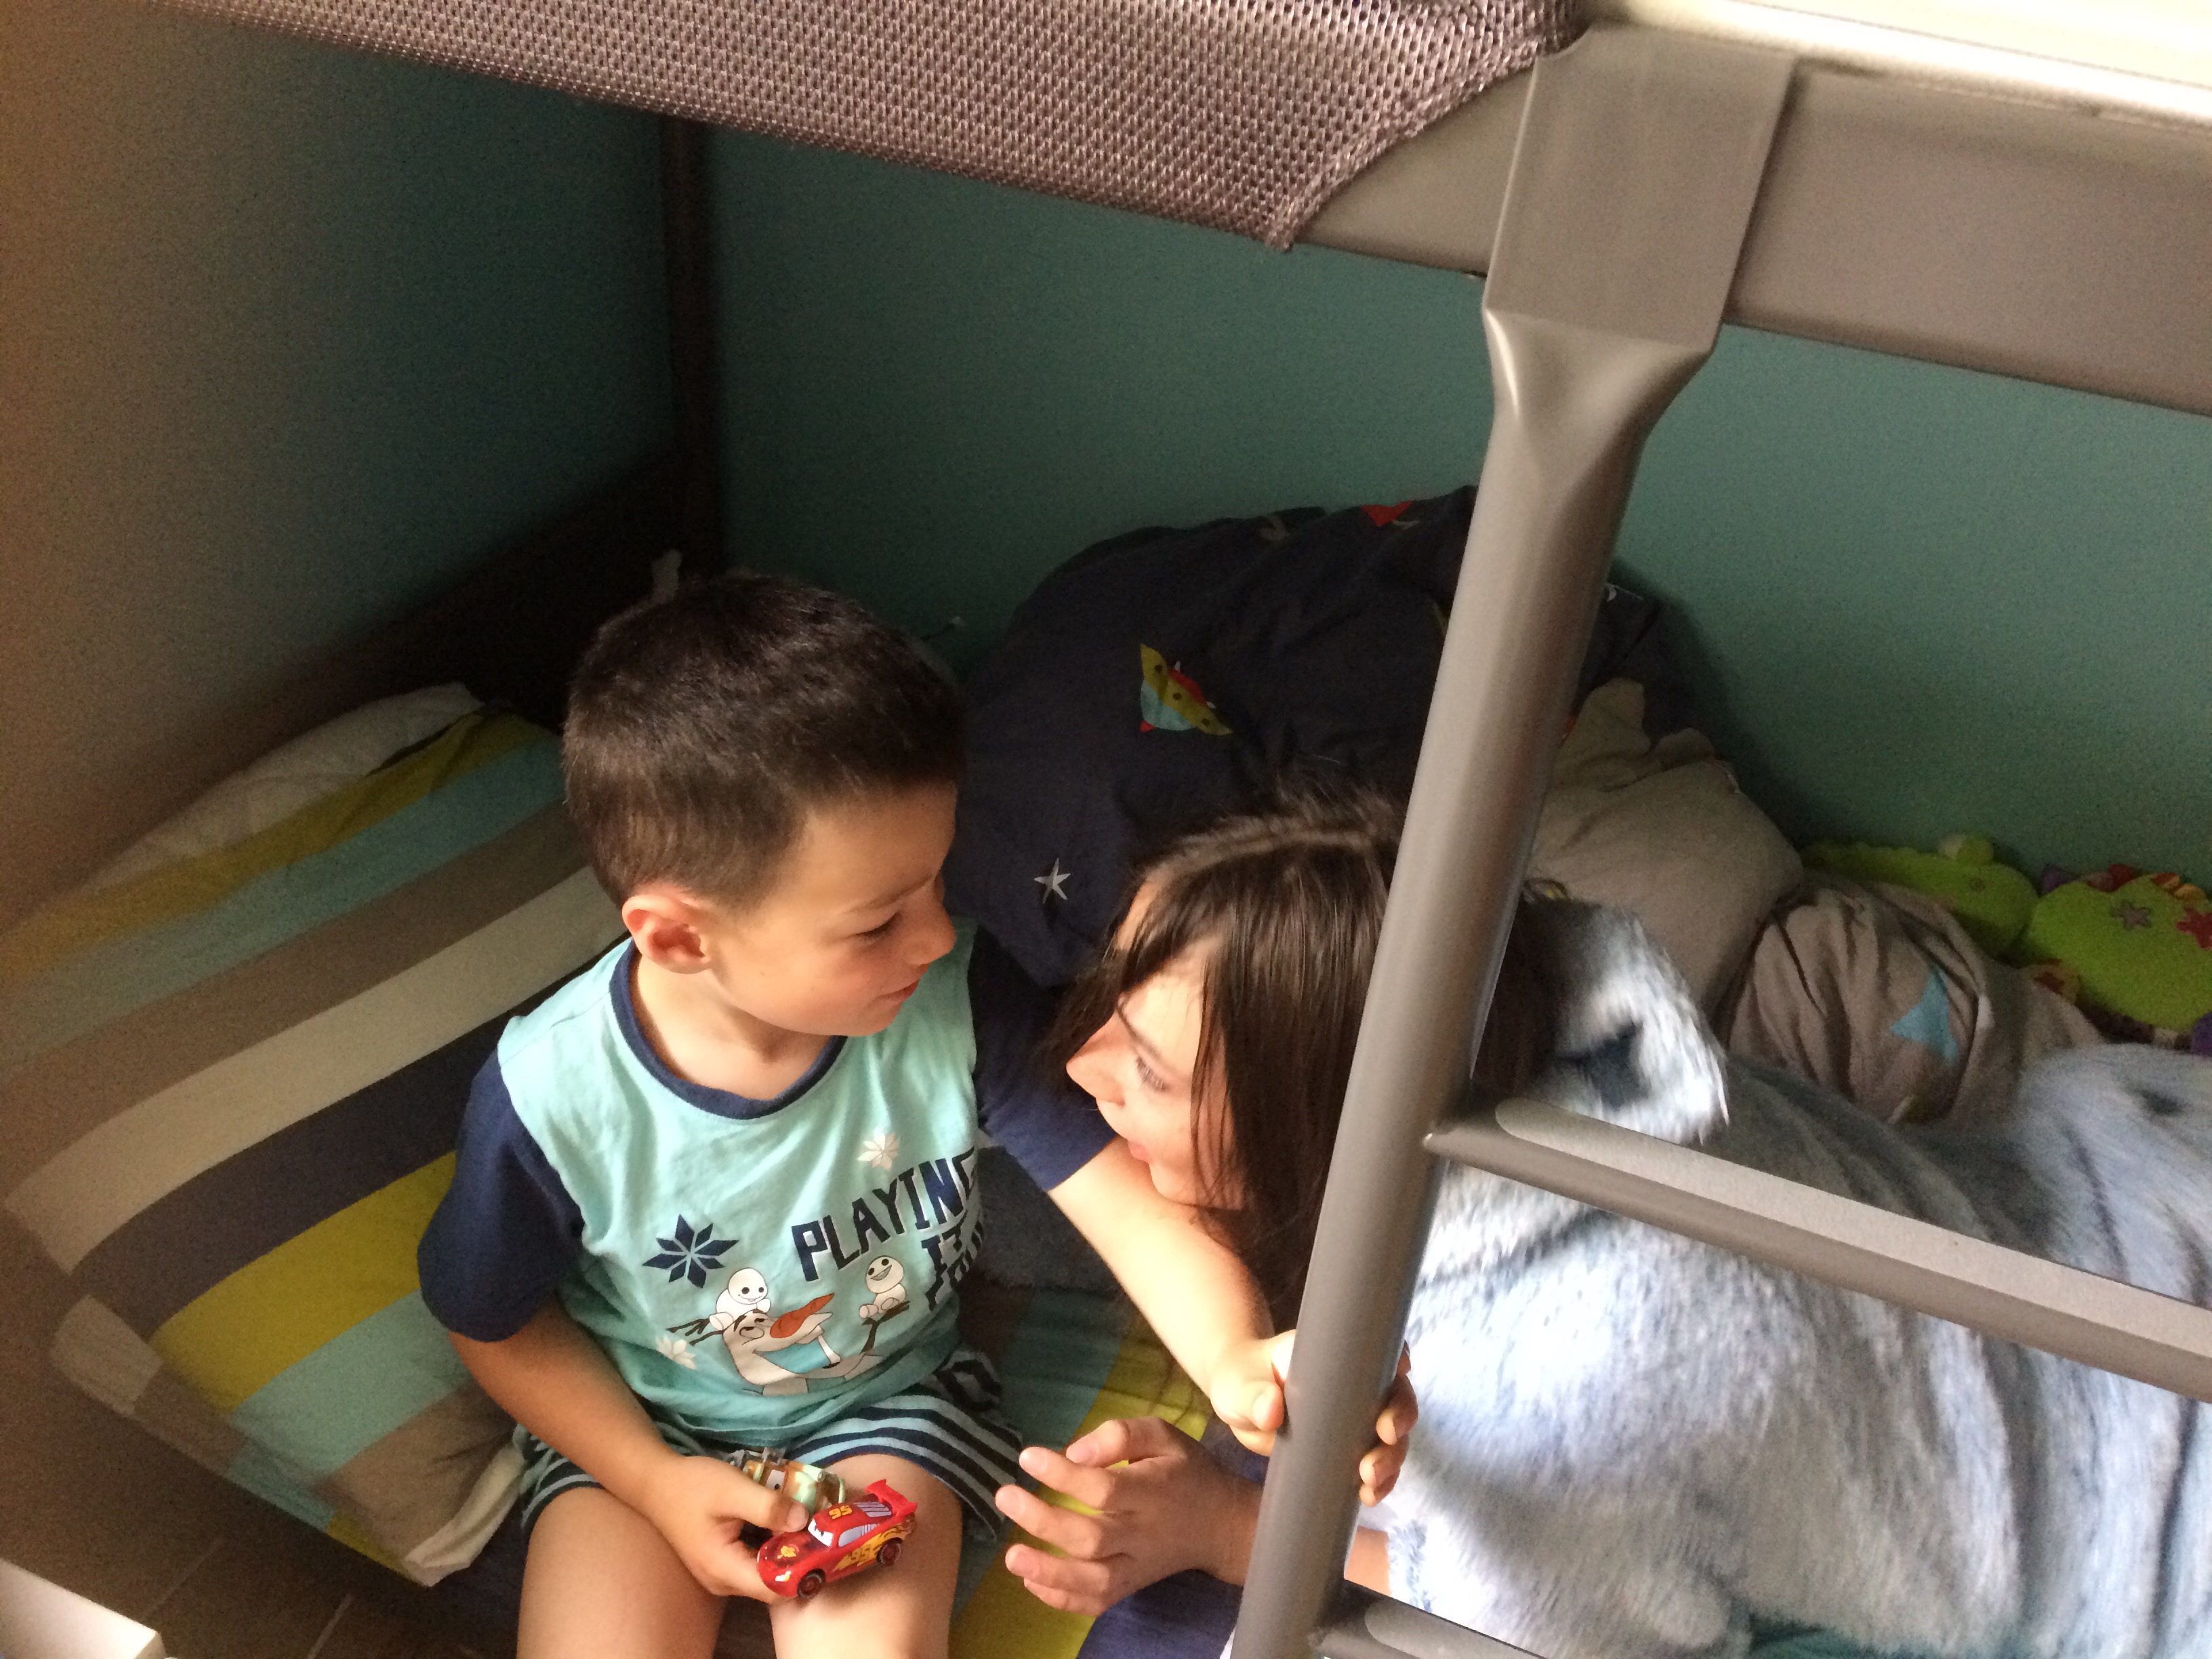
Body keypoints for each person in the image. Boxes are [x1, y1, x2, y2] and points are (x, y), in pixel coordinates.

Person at [997, 783, 2212, 1659]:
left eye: (1150, 1069)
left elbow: (1520, 1621)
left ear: (1315, 1123)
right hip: (2138, 1185)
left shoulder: (1558, 1381)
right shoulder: (1597, 1049)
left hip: (2150, 1523)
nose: (1087, 1066)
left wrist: (1227, 1527)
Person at [415, 574, 1299, 1659]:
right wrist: (651, 1480)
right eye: (878, 921)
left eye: (936, 882)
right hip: (636, 1432)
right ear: (682, 939)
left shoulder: (956, 998)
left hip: (881, 1414)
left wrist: (1235, 1359)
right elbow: (490, 1317)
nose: (936, 937)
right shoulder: (551, 1100)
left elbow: (1130, 1208)